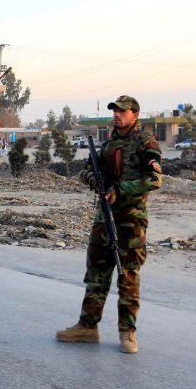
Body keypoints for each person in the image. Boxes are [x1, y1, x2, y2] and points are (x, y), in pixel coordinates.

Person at [56, 95, 162, 354]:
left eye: (122, 111)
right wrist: (95, 180)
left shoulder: (145, 142)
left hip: (131, 219)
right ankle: (87, 326)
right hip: (104, 217)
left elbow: (154, 179)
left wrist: (120, 189)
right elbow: (84, 171)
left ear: (135, 115)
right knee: (96, 273)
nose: (117, 115)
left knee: (128, 275)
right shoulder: (107, 144)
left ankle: (127, 332)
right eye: (115, 111)